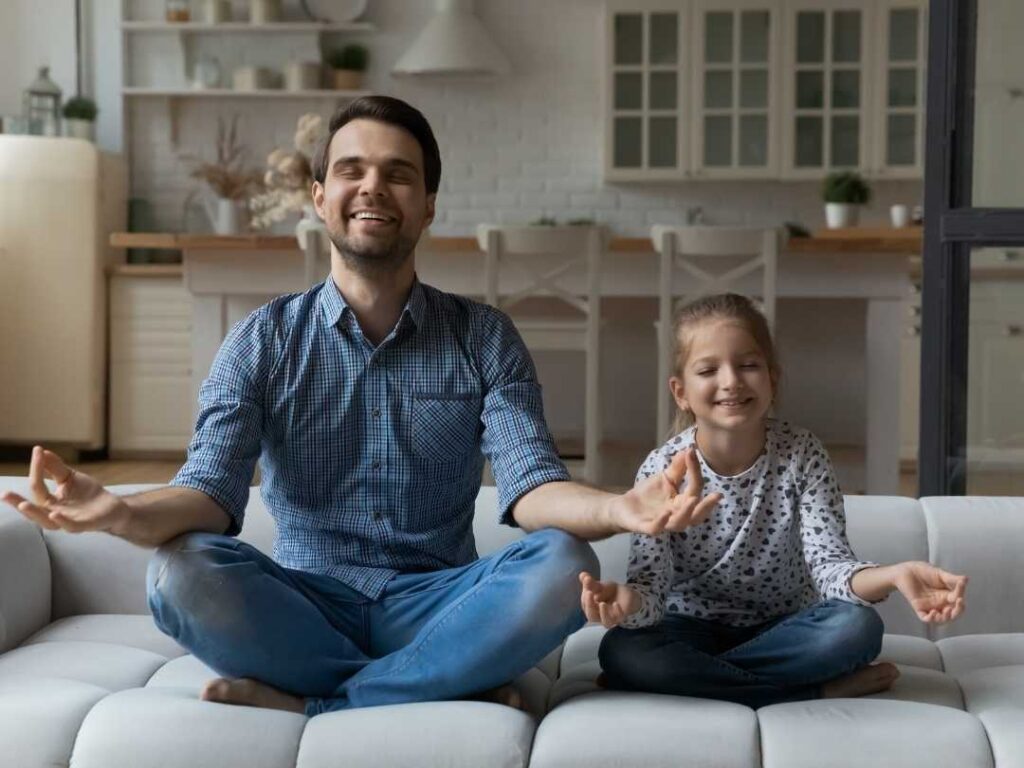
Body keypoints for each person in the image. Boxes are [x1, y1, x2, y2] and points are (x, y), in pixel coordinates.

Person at [1, 96, 709, 718]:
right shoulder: (261, 339)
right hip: (304, 604)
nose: (375, 186)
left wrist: (621, 507)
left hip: (441, 604)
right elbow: (210, 493)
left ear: (428, 204)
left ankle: (320, 697)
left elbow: (531, 486)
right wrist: (123, 515)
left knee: (561, 561)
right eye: (353, 170)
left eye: (399, 173)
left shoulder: (483, 336)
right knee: (179, 572)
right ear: (319, 196)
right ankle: (434, 685)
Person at [579, 293, 968, 707]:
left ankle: (691, 679)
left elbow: (830, 568)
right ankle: (811, 690)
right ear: (681, 393)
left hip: (783, 628)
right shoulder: (660, 470)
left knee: (858, 627)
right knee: (622, 649)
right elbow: (651, 593)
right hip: (684, 627)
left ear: (772, 379)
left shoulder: (803, 454)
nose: (731, 381)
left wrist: (895, 574)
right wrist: (628, 602)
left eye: (748, 365)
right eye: (708, 370)